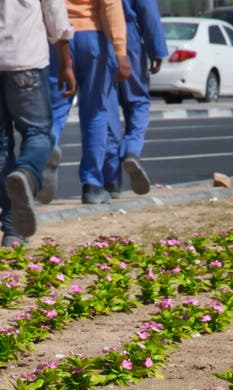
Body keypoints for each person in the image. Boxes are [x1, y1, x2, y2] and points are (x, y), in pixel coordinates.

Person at [0, 0, 75, 246]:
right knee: (39, 134)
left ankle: (13, 231)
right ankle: (28, 173)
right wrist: (66, 63)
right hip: (26, 59)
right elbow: (55, 14)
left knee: (1, 147)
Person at [43, 0, 132, 206]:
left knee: (55, 109)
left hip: (59, 40)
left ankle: (47, 150)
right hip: (93, 37)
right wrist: (120, 51)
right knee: (95, 113)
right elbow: (111, 6)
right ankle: (92, 185)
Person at [103, 0, 167, 198]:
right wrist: (157, 50)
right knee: (138, 101)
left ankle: (111, 180)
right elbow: (148, 12)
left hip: (100, 38)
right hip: (128, 39)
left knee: (107, 110)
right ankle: (131, 151)